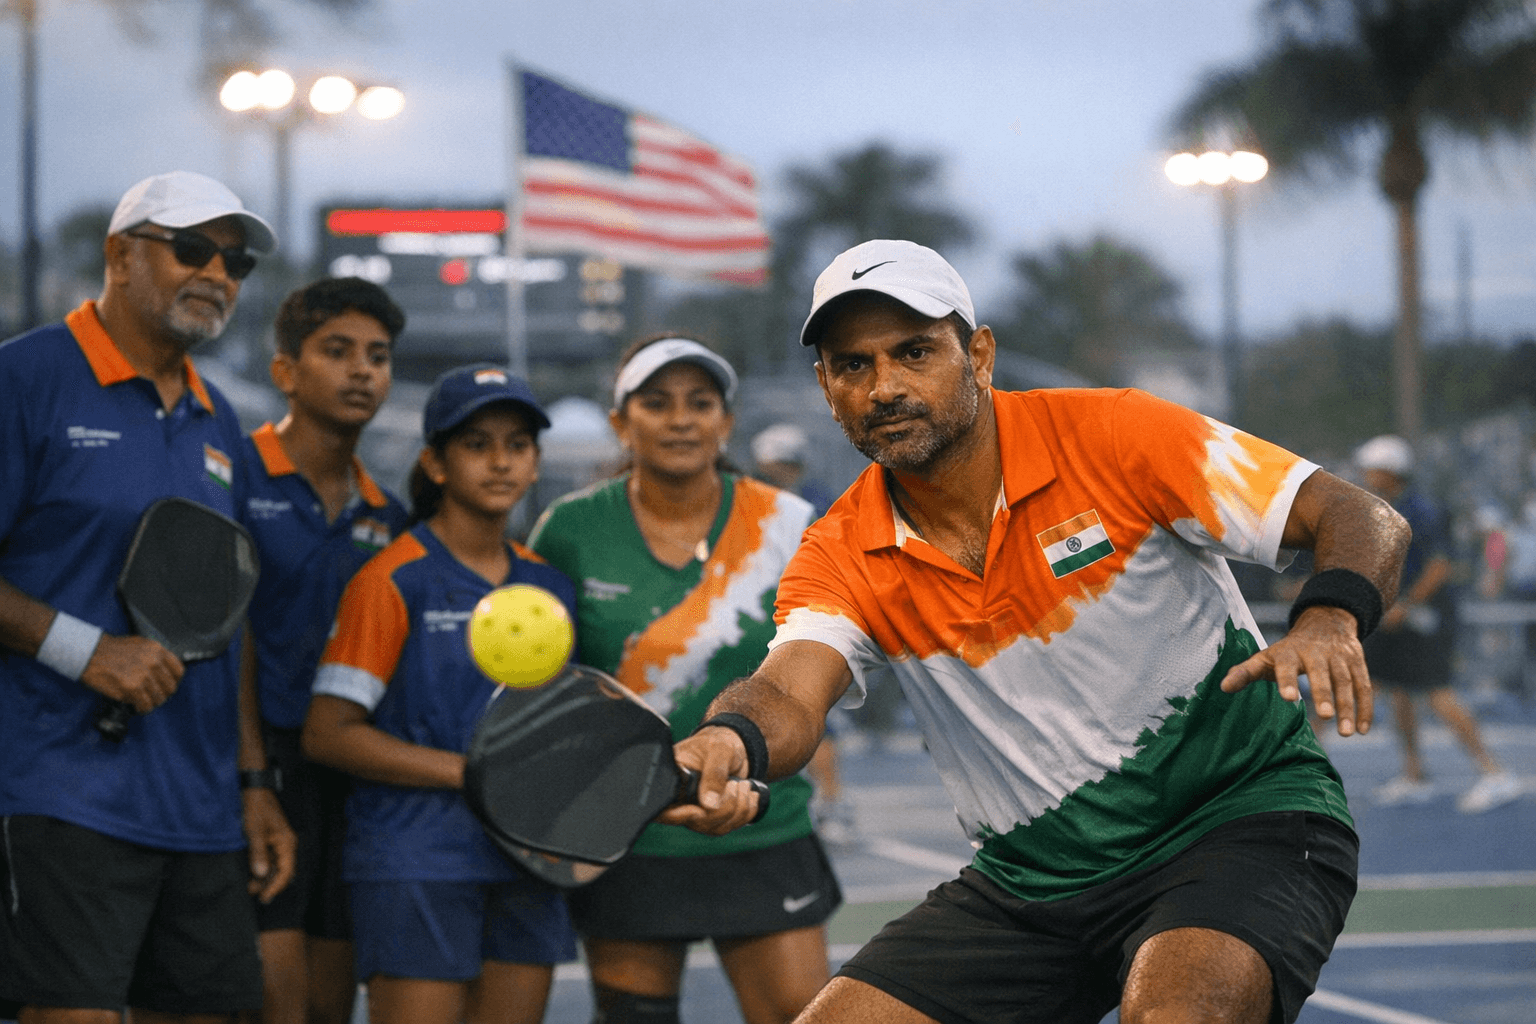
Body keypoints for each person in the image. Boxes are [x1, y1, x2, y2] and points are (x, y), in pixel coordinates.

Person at [665, 240, 1415, 1024]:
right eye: (853, 365)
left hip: (1237, 822)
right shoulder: (840, 550)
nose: (884, 387)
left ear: (979, 356)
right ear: (827, 387)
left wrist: (1330, 618)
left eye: (914, 352)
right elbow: (789, 691)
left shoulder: (1117, 434)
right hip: (1031, 881)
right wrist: (730, 739)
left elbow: (1361, 515)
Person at [0, 170, 293, 1023]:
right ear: (120, 255)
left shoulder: (219, 418)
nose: (217, 274)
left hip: (200, 810)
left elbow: (227, 615)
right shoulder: (25, 379)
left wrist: (252, 782)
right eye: (192, 248)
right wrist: (85, 651)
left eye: (235, 262)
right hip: (60, 794)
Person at [528, 336, 838, 1024]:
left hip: (764, 823)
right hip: (630, 833)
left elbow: (822, 662)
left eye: (700, 403)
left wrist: (742, 776)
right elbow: (548, 693)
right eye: (656, 402)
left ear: (726, 422)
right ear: (621, 421)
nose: (680, 420)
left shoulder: (787, 523)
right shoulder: (568, 530)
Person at [301, 364, 576, 1024]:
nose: (500, 462)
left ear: (536, 463)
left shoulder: (549, 586)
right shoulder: (391, 579)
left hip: (529, 860)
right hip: (416, 859)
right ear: (435, 463)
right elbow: (328, 733)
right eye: (477, 444)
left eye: (517, 445)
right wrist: (471, 773)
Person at [239, 277, 413, 1024]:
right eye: (337, 351)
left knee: (328, 1004)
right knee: (273, 999)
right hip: (247, 770)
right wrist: (252, 779)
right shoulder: (231, 473)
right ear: (285, 370)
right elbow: (226, 636)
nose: (361, 371)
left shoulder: (389, 515)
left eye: (377, 355)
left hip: (347, 780)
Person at [1354, 435, 1521, 814]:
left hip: (1427, 618)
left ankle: (1496, 773)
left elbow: (1440, 566)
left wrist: (1407, 604)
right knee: (1399, 691)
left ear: (1390, 471)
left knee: (1437, 693)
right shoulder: (1387, 507)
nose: (1365, 474)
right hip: (1398, 616)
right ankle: (1415, 776)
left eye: (1371, 467)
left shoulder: (1423, 510)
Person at [751, 423, 857, 846]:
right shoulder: (754, 505)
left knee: (815, 718)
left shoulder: (811, 504)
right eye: (777, 464)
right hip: (763, 620)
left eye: (787, 463)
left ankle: (832, 804)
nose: (783, 471)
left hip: (804, 621)